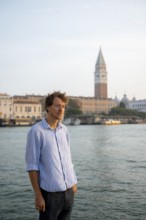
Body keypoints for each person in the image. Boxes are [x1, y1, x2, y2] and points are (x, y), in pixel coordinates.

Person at [25, 91, 77, 220]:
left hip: (69, 192)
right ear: (48, 107)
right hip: (50, 195)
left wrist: (73, 181)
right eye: (57, 106)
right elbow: (32, 166)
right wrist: (38, 195)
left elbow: (68, 159)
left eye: (63, 106)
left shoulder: (64, 130)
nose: (61, 109)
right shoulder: (36, 131)